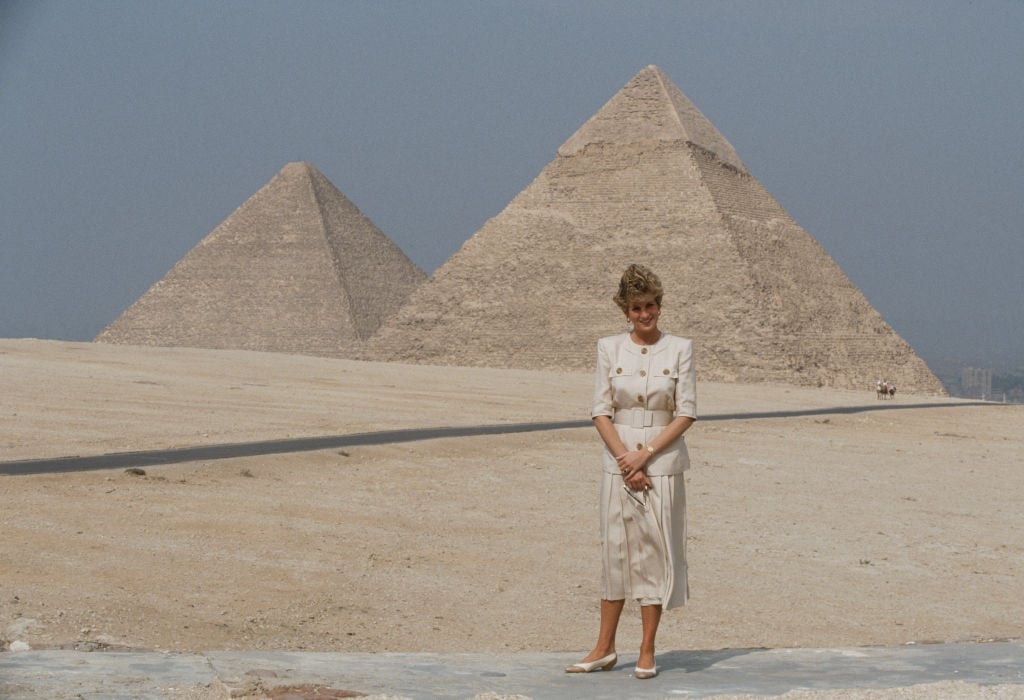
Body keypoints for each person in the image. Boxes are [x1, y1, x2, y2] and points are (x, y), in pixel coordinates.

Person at [565, 263, 697, 680]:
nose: (645, 314)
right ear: (626, 311)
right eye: (637, 307)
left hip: (662, 463)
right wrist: (626, 458)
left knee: (654, 556)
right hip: (617, 463)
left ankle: (646, 649)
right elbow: (600, 410)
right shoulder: (608, 348)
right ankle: (604, 647)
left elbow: (687, 411)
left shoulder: (680, 348)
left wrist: (646, 456)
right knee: (615, 554)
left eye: (651, 305)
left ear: (661, 305)